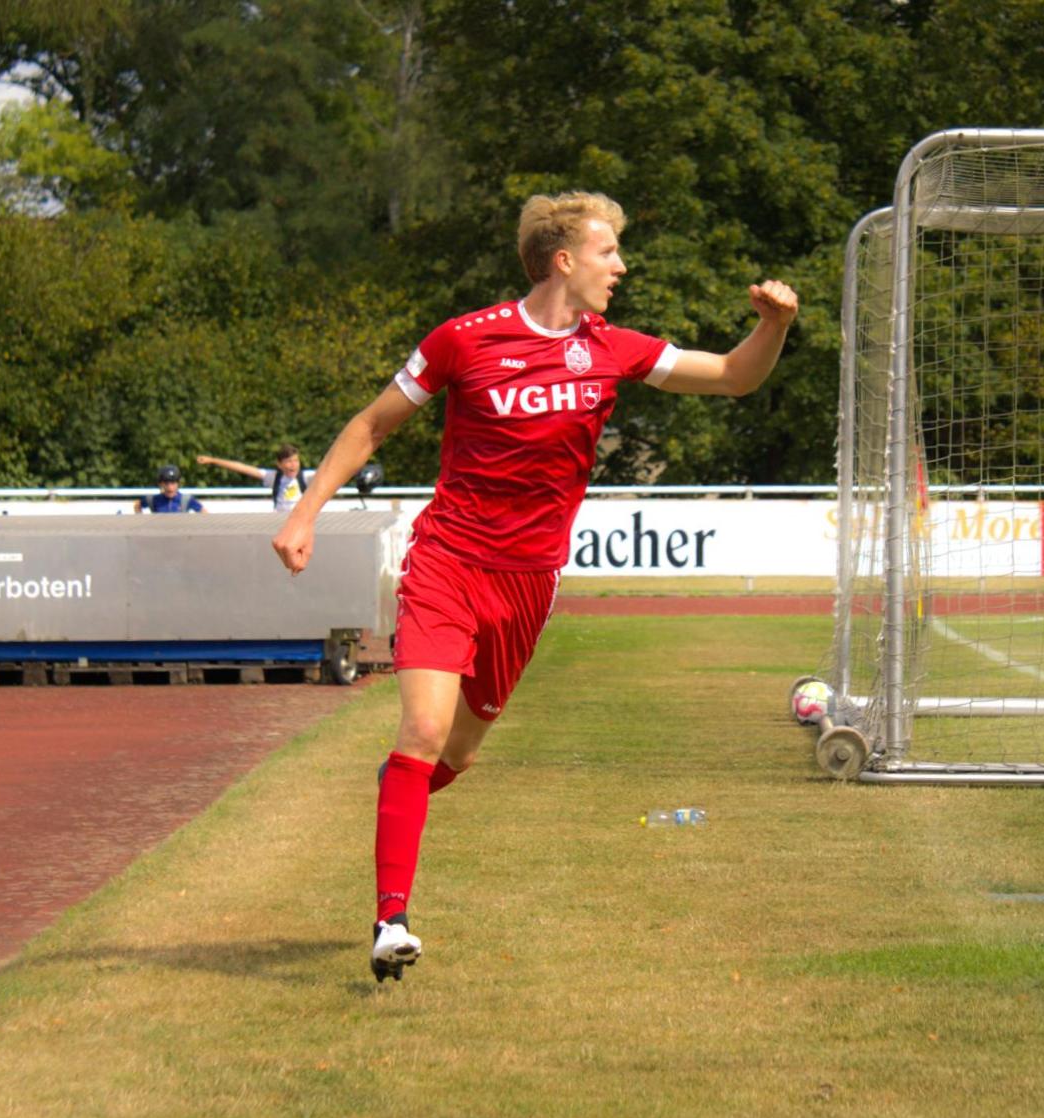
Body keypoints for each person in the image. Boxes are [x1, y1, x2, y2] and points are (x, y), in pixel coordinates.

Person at [271, 191, 799, 983]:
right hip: (447, 561)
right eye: (607, 252)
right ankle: (391, 918)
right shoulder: (464, 339)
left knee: (455, 754)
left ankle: (401, 791)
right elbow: (371, 425)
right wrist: (305, 511)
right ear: (563, 260)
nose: (619, 267)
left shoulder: (612, 346)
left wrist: (774, 326)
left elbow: (729, 376)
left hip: (526, 584)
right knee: (420, 730)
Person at [196, 444, 314, 512]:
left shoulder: (305, 477)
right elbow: (242, 468)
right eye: (289, 461)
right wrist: (212, 460)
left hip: (299, 522)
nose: (293, 465)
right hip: (280, 523)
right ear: (279, 464)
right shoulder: (273, 477)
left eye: (296, 461)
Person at [133, 464, 204, 514]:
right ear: (160, 484)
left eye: (173, 483)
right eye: (166, 483)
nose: (170, 487)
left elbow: (204, 512)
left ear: (178, 483)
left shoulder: (186, 499)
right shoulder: (153, 499)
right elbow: (137, 504)